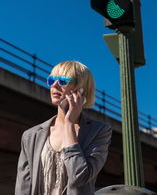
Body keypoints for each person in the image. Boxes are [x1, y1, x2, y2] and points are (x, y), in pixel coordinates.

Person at [15, 60, 112, 195]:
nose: (54, 85)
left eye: (63, 81)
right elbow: (23, 187)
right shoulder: (31, 135)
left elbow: (80, 176)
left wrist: (69, 124)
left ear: (81, 89)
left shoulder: (99, 131)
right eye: (51, 80)